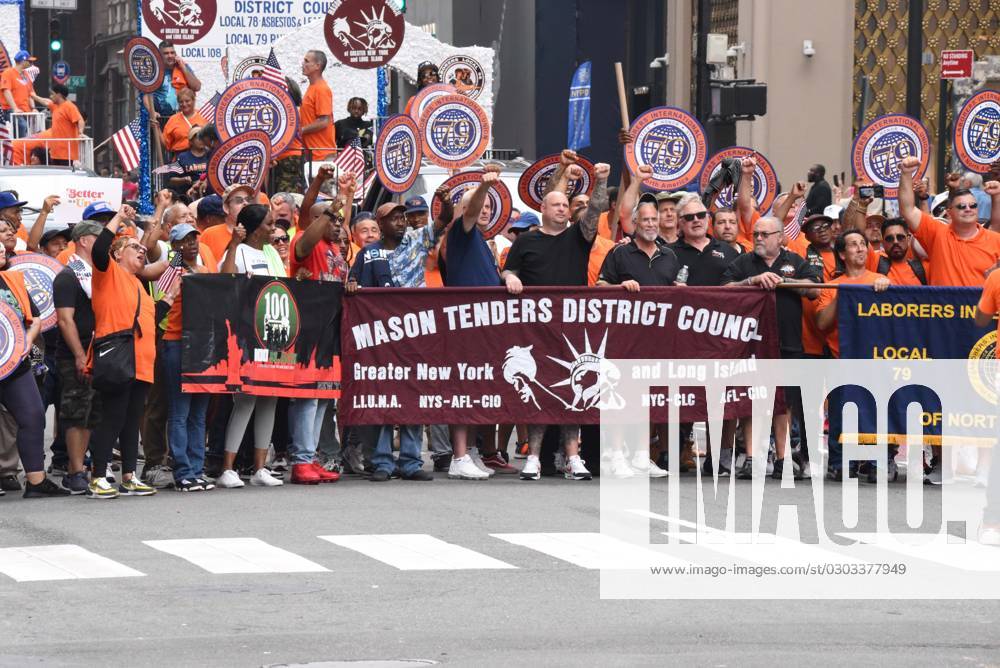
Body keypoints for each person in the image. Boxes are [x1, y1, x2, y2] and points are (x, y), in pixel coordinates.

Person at [502, 162, 610, 481]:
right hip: (536, 329)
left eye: (566, 205)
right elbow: (509, 269)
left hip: (572, 327)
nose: (562, 208)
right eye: (556, 204)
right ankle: (534, 457)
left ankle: (573, 457)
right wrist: (510, 278)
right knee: (540, 392)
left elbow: (595, 211)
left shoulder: (579, 236)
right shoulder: (526, 241)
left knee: (573, 392)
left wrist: (601, 180)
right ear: (543, 209)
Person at [347, 187, 455, 482]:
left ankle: (410, 461)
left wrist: (444, 201)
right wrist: (352, 285)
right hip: (381, 338)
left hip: (414, 334)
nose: (400, 222)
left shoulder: (417, 242)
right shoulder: (368, 253)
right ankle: (383, 462)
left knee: (413, 396)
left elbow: (444, 220)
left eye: (402, 218)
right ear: (380, 224)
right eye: (393, 218)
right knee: (386, 398)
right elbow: (353, 282)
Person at [722, 215, 822, 480]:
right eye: (756, 234)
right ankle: (752, 458)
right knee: (752, 398)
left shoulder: (795, 261)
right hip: (751, 343)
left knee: (784, 402)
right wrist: (751, 281)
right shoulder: (744, 262)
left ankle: (783, 459)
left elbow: (815, 289)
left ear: (780, 238)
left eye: (765, 234)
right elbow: (724, 288)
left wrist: (783, 282)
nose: (758, 238)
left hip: (788, 342)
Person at [443, 166, 519, 479]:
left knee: (477, 388)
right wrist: (483, 187)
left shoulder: (484, 242)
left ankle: (470, 452)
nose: (484, 210)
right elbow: (471, 211)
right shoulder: (461, 232)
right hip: (465, 325)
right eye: (479, 205)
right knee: (464, 388)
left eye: (489, 206)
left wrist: (506, 275)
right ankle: (459, 457)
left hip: (484, 326)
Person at [596, 191, 677, 479]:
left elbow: (678, 292)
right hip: (624, 339)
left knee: (648, 397)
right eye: (645, 220)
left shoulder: (670, 256)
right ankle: (617, 455)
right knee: (621, 396)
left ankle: (642, 455)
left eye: (654, 219)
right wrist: (620, 287)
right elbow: (600, 286)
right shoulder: (619, 253)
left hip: (657, 339)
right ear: (634, 223)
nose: (651, 224)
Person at [88, 207, 165, 499]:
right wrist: (120, 216)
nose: (142, 250)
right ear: (117, 254)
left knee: (132, 421)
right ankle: (98, 477)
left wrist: (178, 262)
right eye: (134, 247)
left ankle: (129, 477)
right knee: (113, 417)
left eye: (143, 249)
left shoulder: (140, 285)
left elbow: (151, 318)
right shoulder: (107, 272)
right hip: (118, 358)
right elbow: (99, 250)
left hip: (141, 363)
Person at [216, 204, 285, 488]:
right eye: (269, 224)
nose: (274, 228)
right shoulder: (239, 251)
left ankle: (260, 468)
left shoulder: (271, 253)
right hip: (245, 335)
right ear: (255, 229)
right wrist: (233, 244)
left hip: (272, 333)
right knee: (246, 400)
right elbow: (224, 281)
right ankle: (227, 468)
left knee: (270, 397)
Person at [814, 229, 891, 481]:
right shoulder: (831, 285)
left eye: (862, 244)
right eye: (853, 244)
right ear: (842, 254)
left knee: (875, 411)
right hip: (840, 359)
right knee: (840, 413)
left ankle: (876, 462)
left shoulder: (880, 280)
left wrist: (887, 286)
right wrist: (842, 295)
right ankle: (839, 462)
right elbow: (822, 323)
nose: (860, 249)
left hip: (875, 360)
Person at [0, 242, 69, 498]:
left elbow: (36, 318)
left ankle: (36, 482)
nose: (1, 249)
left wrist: (28, 339)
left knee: (33, 415)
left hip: (15, 361)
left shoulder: (13, 280)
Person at [158, 223, 215, 492]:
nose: (192, 243)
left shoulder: (204, 271)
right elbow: (162, 297)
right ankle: (182, 471)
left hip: (202, 346)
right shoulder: (172, 270)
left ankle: (197, 469)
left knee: (199, 413)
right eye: (184, 240)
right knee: (180, 411)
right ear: (175, 246)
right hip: (177, 342)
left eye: (194, 238)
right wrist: (175, 262)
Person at [53, 221, 103, 494]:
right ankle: (74, 471)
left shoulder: (99, 273)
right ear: (83, 240)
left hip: (98, 351)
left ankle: (81, 466)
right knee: (75, 412)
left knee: (90, 414)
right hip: (76, 353)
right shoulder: (68, 276)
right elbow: (64, 320)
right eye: (98, 237)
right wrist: (80, 354)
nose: (104, 243)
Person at [898, 155, 1000, 288]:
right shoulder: (937, 234)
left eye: (973, 205)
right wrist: (906, 174)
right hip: (944, 302)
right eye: (961, 206)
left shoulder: (995, 239)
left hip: (982, 302)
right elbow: (908, 210)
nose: (968, 209)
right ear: (949, 212)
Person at [145, 40, 201, 131]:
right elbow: (146, 95)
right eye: (166, 53)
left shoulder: (183, 67)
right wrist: (152, 113)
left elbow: (197, 87)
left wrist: (183, 67)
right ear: (159, 55)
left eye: (172, 52)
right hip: (162, 119)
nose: (170, 56)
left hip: (182, 117)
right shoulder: (154, 71)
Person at [32, 84, 84, 166]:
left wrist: (80, 133)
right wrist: (34, 96)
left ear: (59, 95)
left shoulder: (69, 106)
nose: (50, 96)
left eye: (52, 94)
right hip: (55, 152)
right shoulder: (55, 106)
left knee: (65, 173)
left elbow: (80, 120)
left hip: (67, 153)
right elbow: (46, 102)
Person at [201, 184, 254, 260]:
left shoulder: (258, 232)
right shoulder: (210, 234)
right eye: (239, 201)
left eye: (248, 200)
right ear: (226, 207)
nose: (245, 203)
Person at [300, 50, 335, 161]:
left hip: (322, 155)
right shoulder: (313, 87)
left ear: (317, 66)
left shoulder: (321, 89)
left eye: (306, 61)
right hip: (313, 154)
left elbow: (324, 121)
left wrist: (300, 130)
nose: (303, 64)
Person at [874, 219, 927, 286]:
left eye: (900, 237)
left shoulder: (924, 267)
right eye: (889, 238)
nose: (895, 242)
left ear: (908, 239)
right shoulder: (876, 261)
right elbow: (861, 234)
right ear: (883, 242)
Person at [162, 88, 207, 154]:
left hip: (201, 157)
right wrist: (157, 128)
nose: (184, 104)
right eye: (181, 102)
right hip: (180, 156)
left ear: (193, 101)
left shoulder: (203, 116)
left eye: (187, 101)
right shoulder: (173, 119)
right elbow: (166, 144)